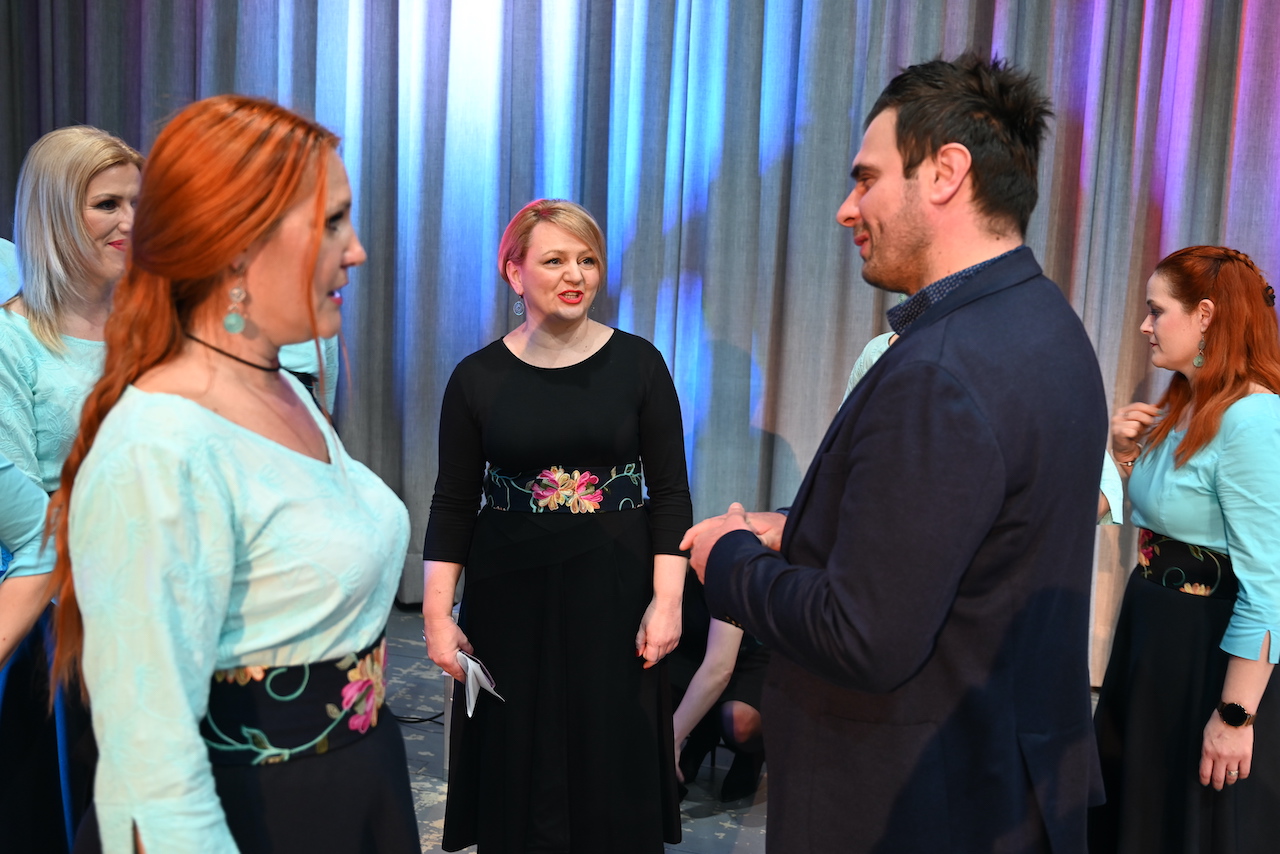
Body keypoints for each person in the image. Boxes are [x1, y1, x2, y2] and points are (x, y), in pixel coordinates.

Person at [683, 54, 1108, 851]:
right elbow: (974, 542)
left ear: (946, 172)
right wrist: (805, 529)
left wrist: (729, 559)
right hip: (998, 783)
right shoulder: (1046, 323)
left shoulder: (940, 370)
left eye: (866, 179)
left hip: (911, 802)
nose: (847, 209)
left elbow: (863, 636)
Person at [46, 95, 419, 853]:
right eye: (333, 223)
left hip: (354, 789)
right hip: (261, 817)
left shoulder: (281, 387)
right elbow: (150, 768)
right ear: (239, 246)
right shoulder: (160, 444)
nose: (356, 251)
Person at [422, 198, 691, 853]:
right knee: (518, 755)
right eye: (554, 260)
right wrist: (435, 616)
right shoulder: (476, 377)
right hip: (508, 595)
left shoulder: (640, 364)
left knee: (611, 752)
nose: (576, 275)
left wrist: (668, 601)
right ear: (514, 272)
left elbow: (670, 494)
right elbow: (453, 503)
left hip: (616, 588)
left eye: (587, 260)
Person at [1090, 246, 1280, 853]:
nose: (1145, 325)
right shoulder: (1183, 403)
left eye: (1156, 310)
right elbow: (1150, 516)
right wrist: (1123, 457)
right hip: (1154, 640)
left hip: (1205, 651)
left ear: (1204, 315)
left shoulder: (1252, 417)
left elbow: (1269, 582)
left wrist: (1234, 716)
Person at [0, 125, 142, 854]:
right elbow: (21, 509)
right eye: (107, 205)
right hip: (64, 617)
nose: (129, 222)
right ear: (54, 213)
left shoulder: (153, 329)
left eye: (136, 204)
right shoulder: (12, 342)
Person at [668, 568, 769, 803]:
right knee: (654, 698)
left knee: (739, 722)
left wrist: (672, 739)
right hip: (693, 641)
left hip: (751, 653)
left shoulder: (736, 568)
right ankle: (704, 732)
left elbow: (719, 668)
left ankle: (752, 751)